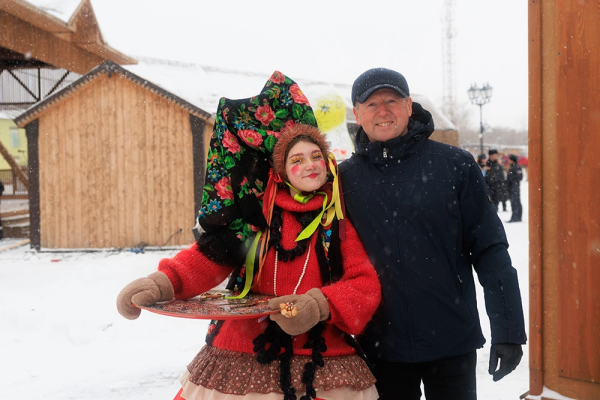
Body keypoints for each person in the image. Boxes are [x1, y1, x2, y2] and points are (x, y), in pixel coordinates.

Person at [116, 72, 381, 400]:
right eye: (297, 159)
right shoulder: (256, 220)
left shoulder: (336, 223)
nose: (310, 165)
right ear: (280, 171)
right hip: (243, 349)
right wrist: (161, 283)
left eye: (316, 157)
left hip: (319, 355)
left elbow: (364, 285)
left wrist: (318, 305)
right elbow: (208, 261)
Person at [339, 68, 526, 400]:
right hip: (381, 348)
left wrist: (508, 328)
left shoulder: (454, 165)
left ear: (409, 106)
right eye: (371, 104)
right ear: (357, 113)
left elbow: (489, 249)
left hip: (451, 342)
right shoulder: (344, 179)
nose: (382, 111)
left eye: (392, 101)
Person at [506, 154, 523, 222]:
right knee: (516, 202)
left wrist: (512, 182)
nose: (508, 161)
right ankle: (517, 216)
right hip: (514, 187)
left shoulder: (515, 167)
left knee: (515, 202)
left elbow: (519, 177)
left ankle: (515, 217)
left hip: (514, 187)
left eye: (509, 159)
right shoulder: (514, 167)